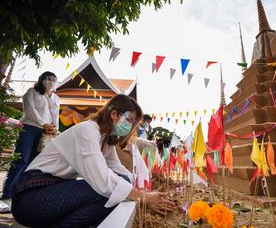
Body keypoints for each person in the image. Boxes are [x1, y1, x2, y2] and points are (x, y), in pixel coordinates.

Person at [11, 94, 176, 227]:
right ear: (114, 115)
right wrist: (143, 197)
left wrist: (146, 187)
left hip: (53, 192)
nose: (131, 127)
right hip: (29, 198)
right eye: (129, 120)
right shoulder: (87, 130)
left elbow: (119, 171)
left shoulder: (105, 139)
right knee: (105, 191)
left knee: (121, 183)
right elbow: (102, 180)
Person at [1, 71, 59, 201]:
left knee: (34, 163)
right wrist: (44, 124)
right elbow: (29, 110)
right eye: (48, 79)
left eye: (53, 79)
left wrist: (55, 128)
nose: (51, 82)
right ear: (41, 80)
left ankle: (22, 193)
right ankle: (7, 194)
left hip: (46, 132)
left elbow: (56, 114)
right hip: (29, 128)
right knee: (21, 160)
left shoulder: (56, 98)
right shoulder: (31, 92)